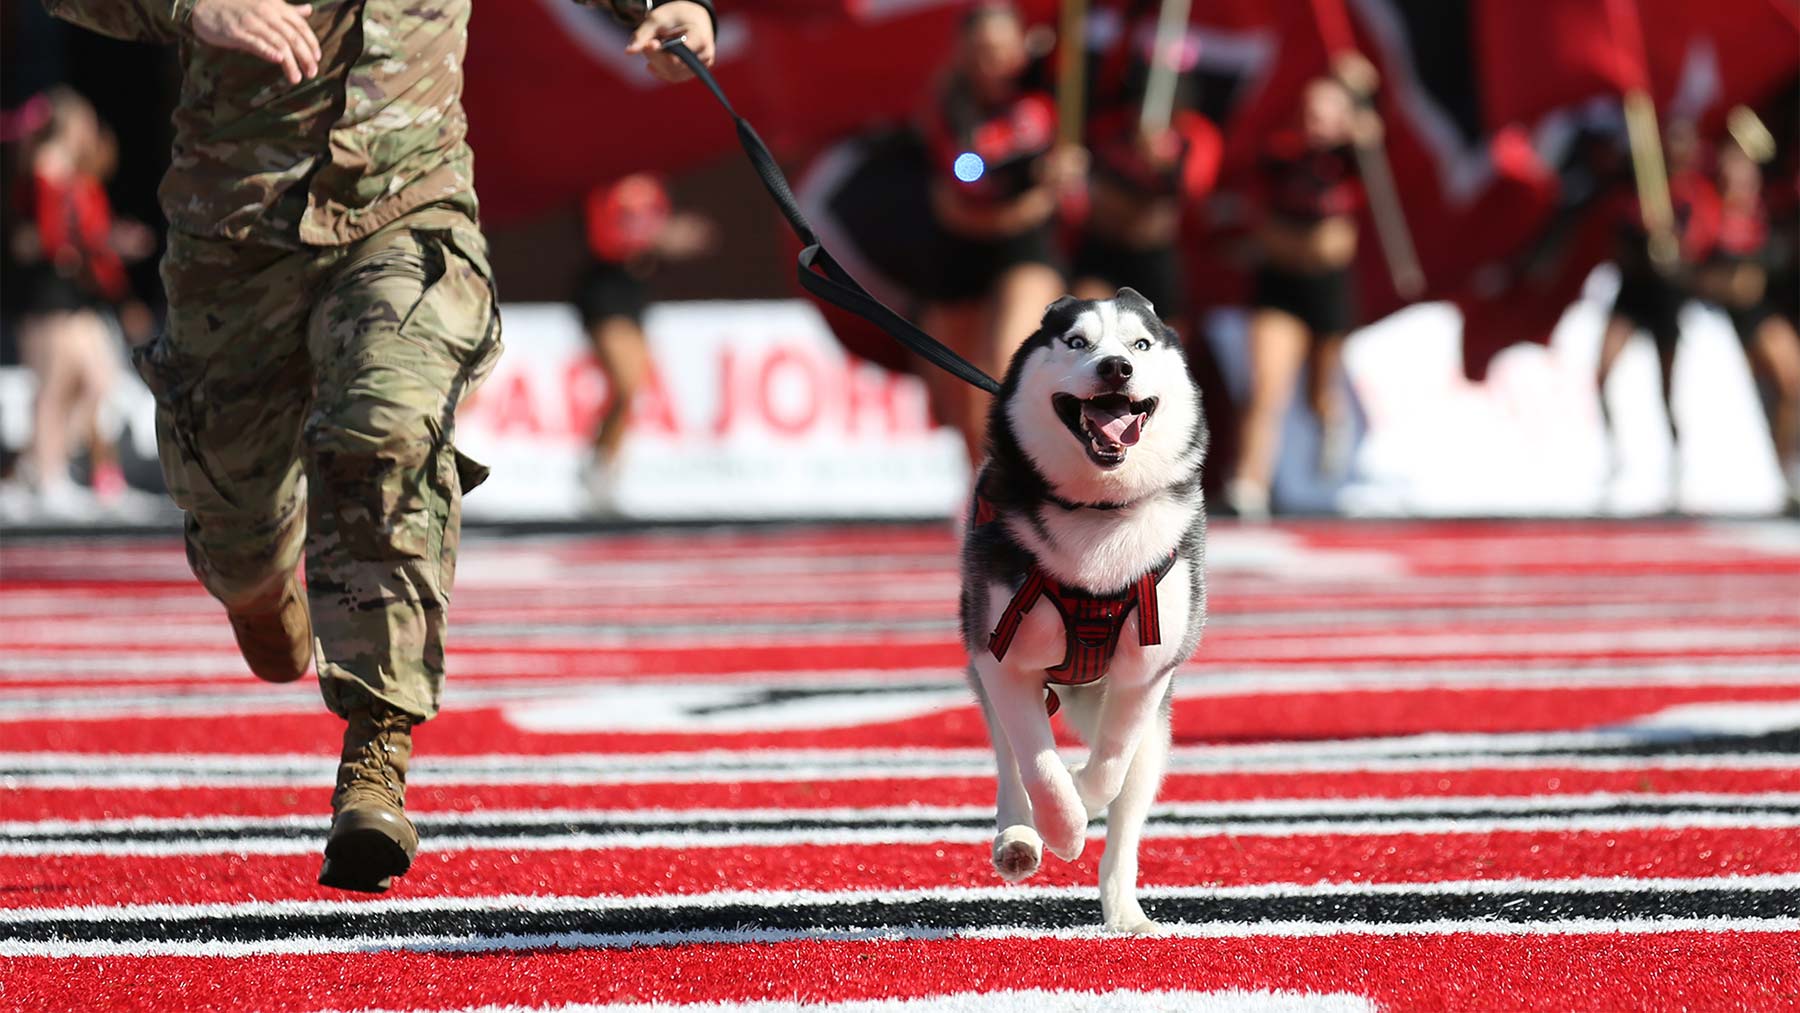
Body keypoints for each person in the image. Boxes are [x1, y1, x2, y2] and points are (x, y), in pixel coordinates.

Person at [43, 0, 717, 893]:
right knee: (238, 535)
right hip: (239, 230)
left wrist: (669, 7)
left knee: (389, 432)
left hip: (407, 210)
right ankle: (259, 583)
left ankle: (376, 751)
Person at [919, 2, 1081, 463]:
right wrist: (1033, 196)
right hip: (963, 244)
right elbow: (958, 194)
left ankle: (1018, 475)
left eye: (1004, 50)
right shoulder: (950, 106)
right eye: (983, 51)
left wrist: (1062, 177)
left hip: (1026, 247)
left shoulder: (1047, 92)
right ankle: (982, 479)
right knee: (959, 388)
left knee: (1008, 360)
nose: (995, 63)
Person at [1227, 71, 1378, 519]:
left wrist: (1365, 101)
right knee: (1265, 385)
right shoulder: (1280, 155)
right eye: (1310, 112)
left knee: (1319, 391)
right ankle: (1249, 482)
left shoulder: (1352, 160)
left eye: (1327, 113)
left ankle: (1330, 423)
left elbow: (1376, 153)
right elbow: (1252, 196)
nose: (1316, 122)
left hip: (1327, 287)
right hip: (1280, 283)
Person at [4, 87, 153, 519]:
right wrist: (102, 242)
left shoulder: (69, 171)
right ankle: (45, 474)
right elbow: (51, 237)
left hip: (70, 288)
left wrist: (107, 243)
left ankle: (37, 468)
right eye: (84, 123)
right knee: (57, 385)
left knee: (95, 380)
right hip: (47, 291)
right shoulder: (46, 166)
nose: (91, 131)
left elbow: (69, 234)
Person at [574, 173, 714, 513]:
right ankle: (597, 470)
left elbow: (663, 233)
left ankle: (603, 467)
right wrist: (659, 238)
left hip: (634, 290)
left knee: (631, 389)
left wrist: (676, 239)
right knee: (624, 382)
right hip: (605, 289)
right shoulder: (606, 185)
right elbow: (603, 237)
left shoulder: (655, 184)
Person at [1593, 121, 1717, 500]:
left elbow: (1696, 250)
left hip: (1666, 298)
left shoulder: (1695, 194)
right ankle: (1614, 453)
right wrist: (1639, 239)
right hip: (1633, 294)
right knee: (1602, 371)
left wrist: (1671, 244)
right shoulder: (1641, 189)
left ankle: (1677, 457)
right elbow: (1616, 241)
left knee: (1666, 388)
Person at [1693, 131, 1800, 510]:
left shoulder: (1766, 208)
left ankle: (1788, 467)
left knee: (1790, 381)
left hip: (1760, 312)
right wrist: (1728, 282)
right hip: (1716, 320)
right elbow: (1689, 271)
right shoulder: (1706, 209)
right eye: (1735, 163)